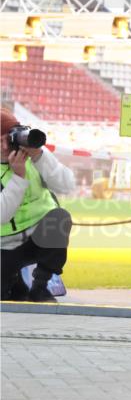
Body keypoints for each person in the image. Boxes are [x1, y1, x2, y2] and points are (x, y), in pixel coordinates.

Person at [1, 108, 75, 302]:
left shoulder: (33, 156)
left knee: (60, 217)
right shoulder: (18, 168)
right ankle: (14, 283)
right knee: (6, 297)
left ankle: (40, 287)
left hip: (37, 238)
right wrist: (18, 177)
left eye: (7, 139)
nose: (4, 146)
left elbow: (67, 185)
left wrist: (40, 156)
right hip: (4, 246)